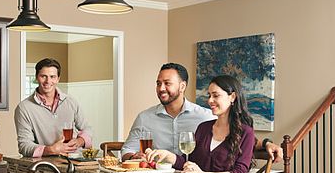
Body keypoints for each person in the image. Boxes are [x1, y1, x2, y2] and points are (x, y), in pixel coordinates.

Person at [147, 75, 254, 173]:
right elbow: (190, 163)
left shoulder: (246, 133)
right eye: (209, 95)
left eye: (216, 95)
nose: (210, 100)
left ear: (232, 97)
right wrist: (169, 156)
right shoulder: (203, 128)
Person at [121, 63, 282, 162]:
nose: (161, 88)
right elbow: (127, 151)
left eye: (167, 83)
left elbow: (239, 135)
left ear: (182, 86)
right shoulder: (144, 118)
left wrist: (267, 143)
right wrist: (135, 156)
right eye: (158, 83)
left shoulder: (206, 116)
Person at [14, 58, 92, 157]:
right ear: (37, 77)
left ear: (58, 79)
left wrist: (80, 141)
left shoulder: (71, 101)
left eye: (52, 77)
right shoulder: (24, 108)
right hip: (45, 164)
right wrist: (51, 150)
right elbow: (24, 145)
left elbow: (87, 129)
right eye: (43, 76)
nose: (48, 81)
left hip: (76, 160)